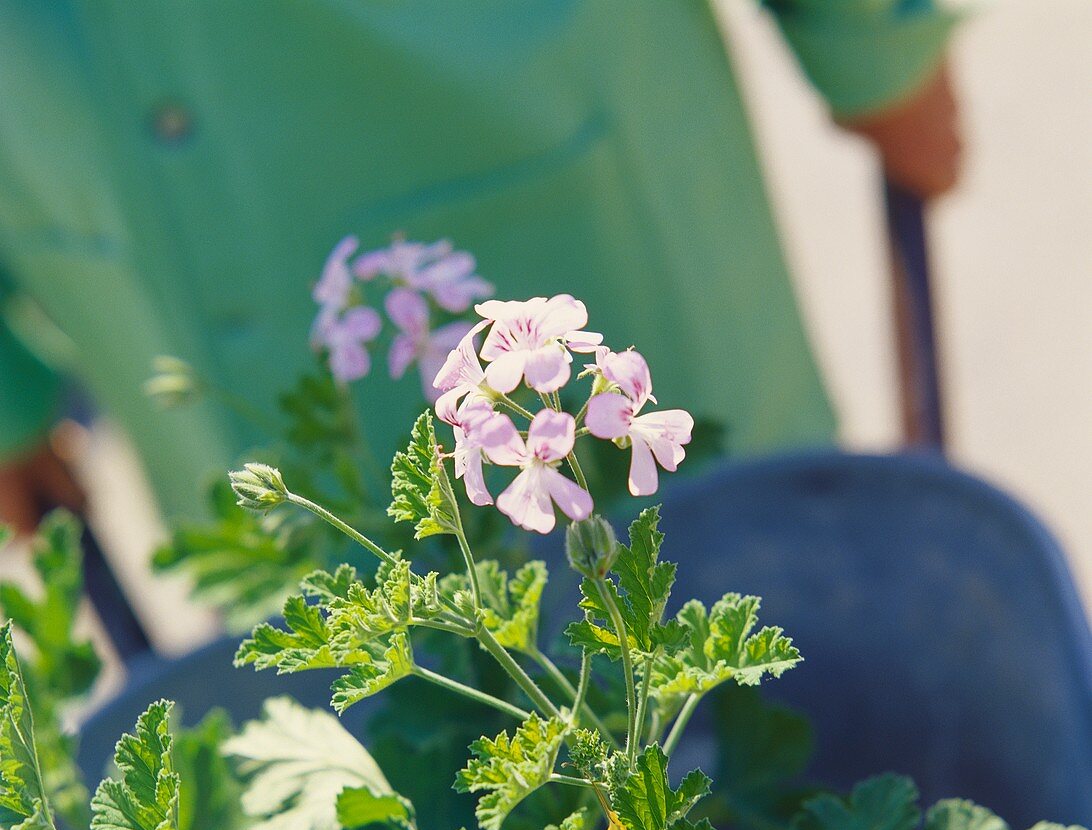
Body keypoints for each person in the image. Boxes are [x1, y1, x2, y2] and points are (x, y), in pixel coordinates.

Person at [0, 0, 961, 528]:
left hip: (533, 132)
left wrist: (872, 33)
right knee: (338, 750)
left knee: (750, 647)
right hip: (109, 220)